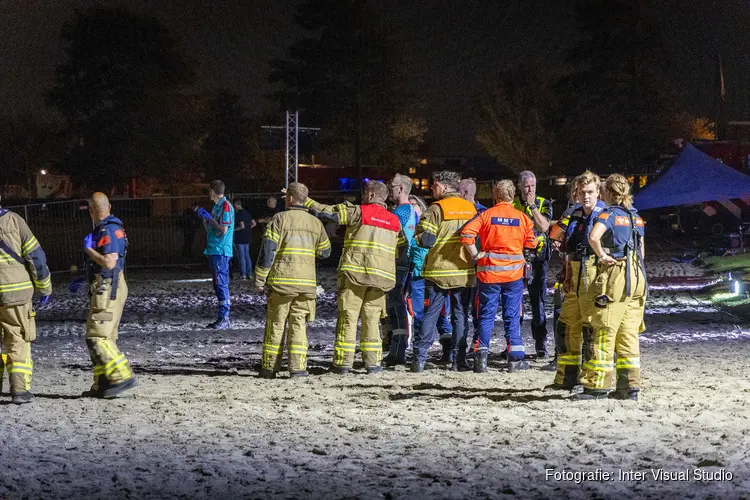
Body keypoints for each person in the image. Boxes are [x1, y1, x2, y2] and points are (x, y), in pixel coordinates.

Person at [305, 181, 407, 374]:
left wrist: (307, 201)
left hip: (355, 275)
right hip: (381, 279)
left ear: (369, 195)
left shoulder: (360, 212)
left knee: (348, 318)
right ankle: (372, 364)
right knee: (372, 320)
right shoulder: (394, 221)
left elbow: (328, 213)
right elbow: (401, 248)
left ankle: (343, 364)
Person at [575, 174, 646, 401]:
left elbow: (593, 237)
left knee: (604, 327)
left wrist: (603, 256)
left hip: (616, 275)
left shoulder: (609, 214)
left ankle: (596, 386)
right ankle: (630, 386)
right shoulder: (637, 218)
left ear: (606, 192)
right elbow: (642, 253)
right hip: (637, 276)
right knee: (628, 333)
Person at [254, 183, 331, 378]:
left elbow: (268, 252)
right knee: (299, 325)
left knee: (276, 324)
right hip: (306, 285)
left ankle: (270, 368)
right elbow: (325, 252)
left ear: (289, 199)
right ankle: (298, 368)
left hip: (282, 282)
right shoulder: (316, 223)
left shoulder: (279, 219)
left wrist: (260, 279)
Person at [460, 180, 536, 373]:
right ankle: (514, 359)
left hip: (489, 274)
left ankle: (481, 358)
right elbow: (532, 243)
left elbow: (466, 234)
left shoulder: (486, 215)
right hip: (513, 275)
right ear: (512, 196)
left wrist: (476, 255)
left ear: (495, 195)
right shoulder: (522, 217)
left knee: (486, 316)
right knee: (512, 315)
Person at [412, 170, 477, 372]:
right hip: (464, 271)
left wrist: (418, 235)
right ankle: (459, 360)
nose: (432, 188)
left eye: (435, 185)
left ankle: (419, 359)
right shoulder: (470, 208)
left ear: (445, 186)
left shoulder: (436, 209)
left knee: (431, 314)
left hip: (438, 271)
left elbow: (426, 240)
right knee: (460, 316)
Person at [549, 172, 606, 389]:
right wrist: (566, 273)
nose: (586, 196)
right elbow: (566, 244)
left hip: (594, 276)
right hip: (574, 273)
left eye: (590, 192)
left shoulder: (605, 215)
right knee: (565, 326)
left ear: (598, 192)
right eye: (582, 192)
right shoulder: (575, 214)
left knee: (590, 330)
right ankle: (566, 378)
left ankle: (590, 381)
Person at [80, 193, 136, 398]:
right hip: (111, 286)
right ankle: (103, 383)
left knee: (97, 337)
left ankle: (121, 375)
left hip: (107, 288)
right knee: (106, 337)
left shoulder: (107, 230)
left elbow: (109, 262)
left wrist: (89, 250)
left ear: (91, 211)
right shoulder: (114, 227)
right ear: (109, 206)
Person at [0, 196, 52, 404]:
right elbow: (36, 257)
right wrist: (44, 287)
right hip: (16, 295)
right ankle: (19, 390)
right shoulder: (15, 221)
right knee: (18, 339)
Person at [512, 170, 553, 358]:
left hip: (538, 259)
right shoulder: (512, 205)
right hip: (516, 259)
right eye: (526, 186)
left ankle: (540, 343)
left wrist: (532, 207)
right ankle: (514, 342)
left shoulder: (544, 203)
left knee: (538, 303)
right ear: (519, 186)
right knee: (515, 303)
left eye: (533, 186)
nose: (530, 190)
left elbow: (544, 227)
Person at [382, 174, 418, 366]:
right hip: (406, 262)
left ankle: (398, 349)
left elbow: (393, 235)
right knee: (398, 305)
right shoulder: (411, 210)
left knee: (396, 306)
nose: (390, 189)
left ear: (402, 189)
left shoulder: (401, 212)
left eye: (392, 186)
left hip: (399, 262)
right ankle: (399, 348)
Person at [196, 180, 235, 329]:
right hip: (214, 249)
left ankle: (224, 318)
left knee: (221, 283)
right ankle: (222, 316)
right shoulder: (217, 207)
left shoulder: (225, 206)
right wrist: (206, 220)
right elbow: (211, 230)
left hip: (221, 250)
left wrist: (210, 219)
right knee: (217, 284)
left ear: (212, 191)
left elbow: (223, 230)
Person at [458, 178, 487, 352]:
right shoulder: (462, 211)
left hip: (475, 267)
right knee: (461, 308)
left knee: (476, 307)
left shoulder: (481, 213)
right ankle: (463, 344)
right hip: (462, 267)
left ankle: (475, 343)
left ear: (465, 193)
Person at [233, 199, 257, 279]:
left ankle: (243, 274)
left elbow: (241, 226)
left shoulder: (238, 214)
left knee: (241, 256)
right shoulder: (247, 213)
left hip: (240, 237)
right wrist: (248, 228)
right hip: (247, 237)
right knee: (247, 255)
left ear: (236, 205)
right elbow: (254, 223)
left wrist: (234, 230)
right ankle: (249, 274)